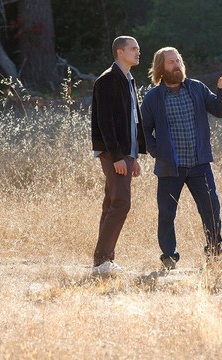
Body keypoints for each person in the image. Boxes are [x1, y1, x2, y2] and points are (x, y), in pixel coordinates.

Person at [140, 47, 222, 270]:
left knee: (211, 209)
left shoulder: (197, 88)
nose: (177, 65)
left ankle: (214, 252)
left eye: (178, 61)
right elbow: (143, 131)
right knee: (166, 214)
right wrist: (157, 151)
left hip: (199, 164)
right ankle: (169, 256)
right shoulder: (153, 98)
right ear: (161, 68)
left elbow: (220, 112)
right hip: (170, 168)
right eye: (171, 62)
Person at [91, 35, 146, 276]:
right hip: (115, 153)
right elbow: (105, 122)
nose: (138, 53)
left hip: (126, 153)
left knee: (111, 203)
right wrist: (117, 157)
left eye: (138, 49)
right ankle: (103, 262)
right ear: (120, 52)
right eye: (133, 49)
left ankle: (103, 261)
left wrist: (134, 156)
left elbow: (132, 122)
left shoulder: (129, 80)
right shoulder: (108, 80)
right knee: (121, 203)